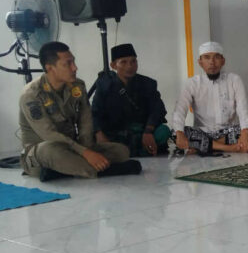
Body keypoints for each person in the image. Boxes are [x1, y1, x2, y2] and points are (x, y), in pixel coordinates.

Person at [19, 42, 141, 181]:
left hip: (73, 147)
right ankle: (108, 170)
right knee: (49, 150)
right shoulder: (32, 94)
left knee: (121, 151)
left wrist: (88, 149)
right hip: (42, 152)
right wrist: (86, 153)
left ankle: (61, 171)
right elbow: (48, 134)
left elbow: (85, 122)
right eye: (68, 64)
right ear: (50, 68)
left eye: (73, 62)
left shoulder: (77, 86)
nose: (75, 67)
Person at [173, 41, 248, 155]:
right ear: (200, 62)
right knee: (174, 132)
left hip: (227, 132)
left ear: (223, 61)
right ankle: (227, 148)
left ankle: (203, 147)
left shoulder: (234, 80)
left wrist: (244, 133)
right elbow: (180, 110)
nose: (212, 62)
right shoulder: (192, 83)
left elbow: (243, 108)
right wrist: (180, 133)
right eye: (207, 57)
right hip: (203, 132)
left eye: (216, 57)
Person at [91, 43, 170, 156]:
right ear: (113, 65)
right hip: (116, 134)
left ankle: (128, 151)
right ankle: (139, 151)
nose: (130, 66)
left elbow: (158, 109)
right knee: (92, 137)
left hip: (142, 132)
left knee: (163, 131)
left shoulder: (148, 84)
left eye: (133, 61)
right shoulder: (104, 86)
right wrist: (99, 134)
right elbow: (94, 113)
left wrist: (148, 131)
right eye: (123, 62)